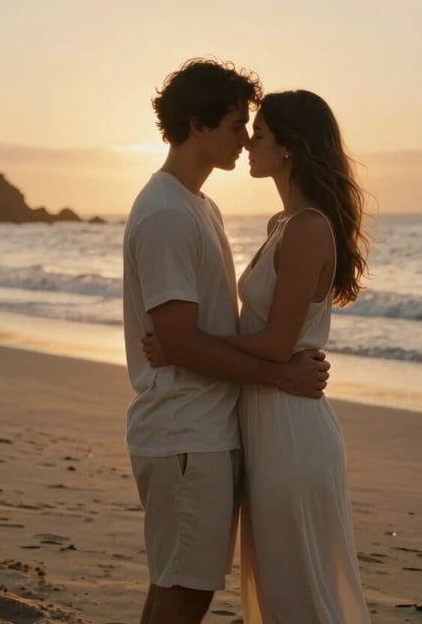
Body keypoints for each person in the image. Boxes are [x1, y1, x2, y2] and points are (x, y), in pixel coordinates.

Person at [144, 89, 373, 623]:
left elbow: (275, 344)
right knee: (279, 582)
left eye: (261, 134)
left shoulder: (310, 228)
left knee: (299, 587)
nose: (249, 142)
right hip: (265, 420)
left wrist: (185, 342)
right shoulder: (282, 225)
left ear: (290, 148)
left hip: (292, 427)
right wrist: (189, 342)